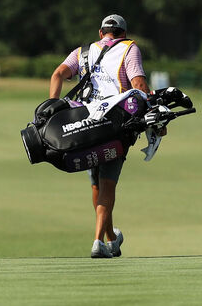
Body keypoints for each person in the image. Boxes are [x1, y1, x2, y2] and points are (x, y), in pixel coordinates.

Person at [48, 14, 150, 259]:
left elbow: (58, 74)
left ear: (100, 32)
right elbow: (138, 84)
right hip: (114, 124)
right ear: (123, 33)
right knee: (108, 184)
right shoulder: (129, 48)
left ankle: (110, 239)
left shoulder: (83, 51)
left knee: (95, 181)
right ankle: (97, 241)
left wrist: (51, 106)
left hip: (85, 124)